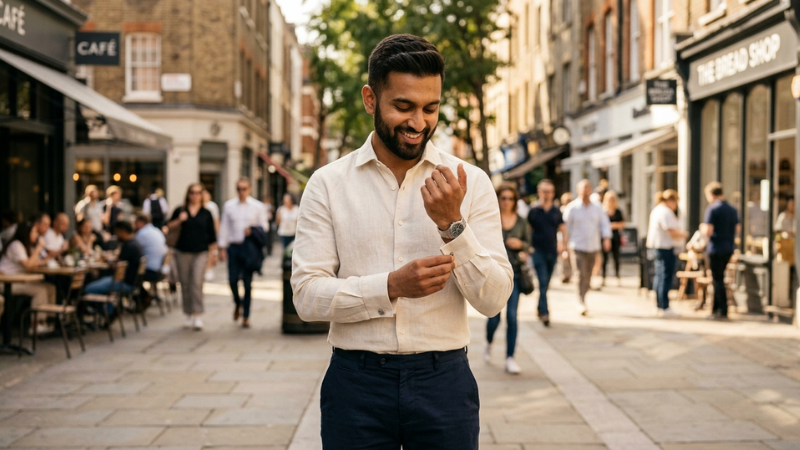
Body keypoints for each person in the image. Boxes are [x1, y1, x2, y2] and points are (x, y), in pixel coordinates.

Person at [291, 34, 513, 450]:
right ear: (371, 99)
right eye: (404, 107)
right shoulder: (328, 184)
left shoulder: (471, 182)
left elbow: (493, 299)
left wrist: (452, 225)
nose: (418, 123)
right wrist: (390, 287)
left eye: (431, 108)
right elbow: (306, 297)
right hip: (356, 383)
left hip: (443, 381)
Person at [485, 184, 528, 374]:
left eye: (511, 198)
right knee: (494, 317)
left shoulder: (521, 222)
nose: (507, 202)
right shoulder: (490, 219)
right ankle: (488, 342)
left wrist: (521, 245)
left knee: (512, 317)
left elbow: (529, 245)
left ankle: (510, 357)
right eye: (503, 198)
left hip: (515, 275)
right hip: (493, 275)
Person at [167, 184, 218, 330]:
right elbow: (168, 227)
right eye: (192, 192)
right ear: (188, 194)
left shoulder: (206, 213)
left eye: (198, 193)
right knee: (185, 283)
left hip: (201, 252)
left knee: (196, 281)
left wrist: (214, 253)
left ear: (202, 195)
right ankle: (188, 313)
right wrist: (180, 220)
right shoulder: (180, 210)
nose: (195, 195)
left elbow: (212, 235)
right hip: (182, 251)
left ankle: (197, 314)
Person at [218, 177, 267, 328]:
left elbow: (264, 227)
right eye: (239, 188)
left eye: (244, 188)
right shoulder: (229, 206)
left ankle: (246, 316)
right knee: (232, 280)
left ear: (249, 189)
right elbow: (224, 227)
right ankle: (238, 303)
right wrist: (221, 247)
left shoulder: (257, 206)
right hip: (233, 247)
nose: (241, 191)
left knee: (247, 283)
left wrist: (251, 230)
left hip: (249, 249)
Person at [564, 180, 612, 316]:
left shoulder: (597, 208)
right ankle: (581, 301)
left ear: (591, 190)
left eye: (587, 188)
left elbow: (604, 224)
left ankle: (583, 295)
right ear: (578, 190)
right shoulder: (572, 208)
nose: (585, 191)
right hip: (577, 246)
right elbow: (566, 229)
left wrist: (607, 238)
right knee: (580, 274)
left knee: (588, 275)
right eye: (582, 188)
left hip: (593, 246)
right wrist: (564, 247)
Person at [0, 221, 56, 334]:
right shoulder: (16, 245)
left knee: (50, 288)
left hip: (16, 281)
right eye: (34, 232)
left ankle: (49, 321)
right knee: (40, 290)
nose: (37, 235)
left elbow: (35, 264)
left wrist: (47, 257)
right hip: (5, 282)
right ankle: (35, 325)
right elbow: (29, 265)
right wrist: (39, 248)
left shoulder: (26, 246)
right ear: (26, 233)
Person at [527, 179, 567, 327]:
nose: (547, 194)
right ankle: (545, 312)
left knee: (546, 283)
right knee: (542, 281)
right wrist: (528, 248)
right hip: (537, 252)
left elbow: (563, 229)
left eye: (550, 192)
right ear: (539, 193)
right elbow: (527, 230)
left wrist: (564, 245)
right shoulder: (533, 211)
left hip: (552, 251)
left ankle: (539, 307)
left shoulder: (556, 211)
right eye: (544, 191)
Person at [646, 189, 688, 317]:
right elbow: (671, 230)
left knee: (659, 276)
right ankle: (664, 306)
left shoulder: (657, 210)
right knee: (665, 276)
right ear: (671, 200)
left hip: (658, 246)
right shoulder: (665, 212)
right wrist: (684, 234)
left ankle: (659, 305)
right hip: (665, 247)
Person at [701, 182, 739, 320]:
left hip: (716, 248)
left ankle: (722, 310)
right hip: (729, 248)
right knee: (719, 278)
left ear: (711, 194)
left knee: (717, 280)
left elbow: (708, 230)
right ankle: (716, 309)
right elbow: (737, 229)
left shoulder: (712, 209)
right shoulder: (732, 209)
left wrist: (702, 228)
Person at [84, 221, 144, 297]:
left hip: (125, 282)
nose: (116, 235)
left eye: (117, 232)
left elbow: (117, 267)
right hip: (134, 282)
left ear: (123, 231)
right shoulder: (135, 242)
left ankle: (104, 308)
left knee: (88, 288)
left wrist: (108, 260)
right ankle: (109, 307)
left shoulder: (129, 246)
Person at [134, 213, 167, 283]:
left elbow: (133, 251)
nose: (135, 225)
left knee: (130, 271)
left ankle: (138, 292)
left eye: (136, 222)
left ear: (141, 222)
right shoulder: (157, 231)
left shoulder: (142, 233)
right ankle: (144, 292)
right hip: (162, 270)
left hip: (151, 271)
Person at [602, 191, 625, 286]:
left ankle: (617, 276)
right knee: (604, 258)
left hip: (615, 237)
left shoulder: (618, 211)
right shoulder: (602, 211)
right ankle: (603, 277)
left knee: (616, 257)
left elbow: (623, 224)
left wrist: (613, 225)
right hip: (605, 237)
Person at [201, 189, 220, 281]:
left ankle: (208, 268)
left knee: (210, 251)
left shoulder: (212, 206)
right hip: (200, 233)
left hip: (209, 232)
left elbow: (216, 221)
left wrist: (216, 233)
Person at [559, 192, 573, 283]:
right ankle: (564, 274)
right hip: (562, 235)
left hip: (571, 235)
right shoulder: (561, 210)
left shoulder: (573, 209)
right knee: (562, 256)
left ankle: (570, 274)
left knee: (571, 256)